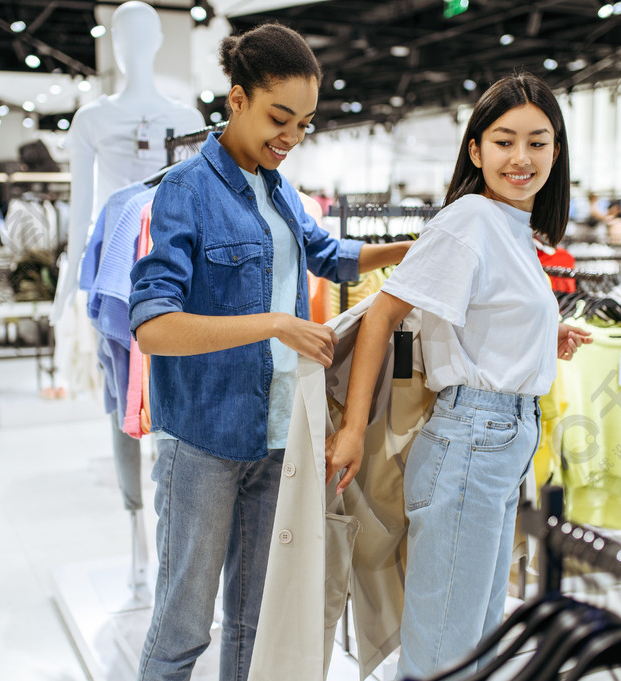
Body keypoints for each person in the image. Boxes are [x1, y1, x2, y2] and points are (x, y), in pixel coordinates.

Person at [127, 22, 411, 681]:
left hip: (277, 436)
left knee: (256, 623)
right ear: (236, 99)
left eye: (304, 124)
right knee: (182, 625)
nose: (290, 137)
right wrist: (273, 324)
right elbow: (153, 324)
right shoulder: (185, 190)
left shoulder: (279, 189)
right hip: (202, 441)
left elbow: (331, 257)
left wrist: (413, 247)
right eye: (279, 117)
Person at [325, 72, 592, 680]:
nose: (520, 157)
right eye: (503, 141)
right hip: (475, 439)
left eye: (537, 141)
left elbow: (465, 313)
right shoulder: (470, 216)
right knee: (445, 649)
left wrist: (540, 336)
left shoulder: (513, 227)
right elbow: (387, 313)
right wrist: (349, 431)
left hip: (498, 443)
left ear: (557, 149)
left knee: (467, 641)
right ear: (475, 149)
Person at [51, 0, 205, 606]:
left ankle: (173, 539)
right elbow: (83, 207)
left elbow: (199, 196)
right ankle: (136, 533)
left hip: (176, 265)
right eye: (121, 32)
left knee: (175, 398)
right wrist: (68, 285)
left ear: (156, 40)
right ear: (112, 42)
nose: (130, 44)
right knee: (122, 401)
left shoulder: (187, 114)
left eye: (141, 32)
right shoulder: (91, 119)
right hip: (115, 269)